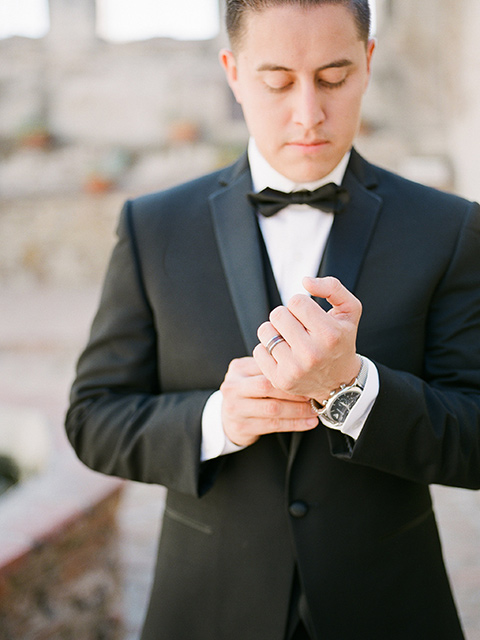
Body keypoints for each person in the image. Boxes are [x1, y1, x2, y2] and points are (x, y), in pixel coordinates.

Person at [65, 1, 480, 638]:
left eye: (334, 77)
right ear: (233, 72)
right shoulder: (153, 228)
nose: (309, 112)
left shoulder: (450, 229)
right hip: (205, 608)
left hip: (389, 607)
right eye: (279, 80)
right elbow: (93, 417)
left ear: (368, 63)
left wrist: (352, 390)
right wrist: (216, 420)